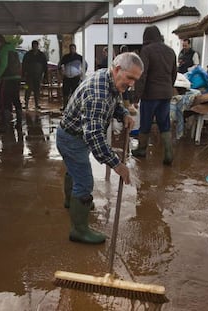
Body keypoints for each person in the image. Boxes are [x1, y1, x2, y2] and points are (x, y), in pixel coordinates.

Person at [56, 52, 143, 244]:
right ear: (117, 69)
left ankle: (72, 202)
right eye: (130, 78)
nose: (131, 84)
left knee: (75, 170)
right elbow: (94, 136)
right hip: (72, 139)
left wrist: (123, 114)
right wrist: (116, 165)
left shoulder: (109, 78)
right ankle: (78, 230)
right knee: (85, 181)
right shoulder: (98, 93)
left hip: (74, 134)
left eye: (135, 80)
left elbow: (115, 101)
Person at [132, 25, 177, 165]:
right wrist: (168, 88)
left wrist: (136, 96)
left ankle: (141, 149)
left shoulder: (146, 51)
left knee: (145, 123)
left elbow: (142, 75)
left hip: (150, 95)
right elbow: (174, 74)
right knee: (164, 123)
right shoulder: (170, 51)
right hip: (166, 94)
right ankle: (168, 154)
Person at [0, 34, 22, 132]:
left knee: (6, 100)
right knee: (16, 99)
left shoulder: (4, 50)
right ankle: (19, 124)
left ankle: (6, 125)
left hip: (8, 78)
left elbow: (4, 64)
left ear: (0, 42)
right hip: (17, 78)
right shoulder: (13, 49)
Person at [58, 44, 86, 110]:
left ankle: (75, 107)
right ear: (69, 49)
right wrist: (61, 73)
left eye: (73, 48)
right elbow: (59, 65)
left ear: (75, 49)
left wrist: (82, 73)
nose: (72, 50)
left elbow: (85, 65)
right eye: (71, 48)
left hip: (75, 77)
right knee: (65, 92)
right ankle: (65, 106)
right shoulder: (65, 57)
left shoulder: (79, 57)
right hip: (67, 77)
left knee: (75, 92)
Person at [22, 40, 47, 110]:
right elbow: (24, 65)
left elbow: (45, 66)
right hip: (28, 76)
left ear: (37, 46)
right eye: (33, 46)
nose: (35, 47)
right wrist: (23, 75)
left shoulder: (41, 55)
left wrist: (45, 76)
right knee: (27, 89)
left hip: (38, 76)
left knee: (37, 90)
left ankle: (37, 104)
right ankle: (26, 103)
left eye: (36, 46)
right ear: (32, 46)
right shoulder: (27, 54)